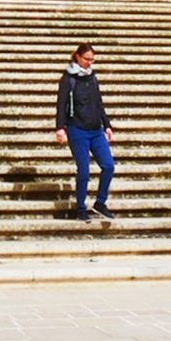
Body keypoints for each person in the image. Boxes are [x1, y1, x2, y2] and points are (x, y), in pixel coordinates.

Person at [56, 44, 116, 221]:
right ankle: (81, 207)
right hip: (77, 129)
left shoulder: (92, 77)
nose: (89, 63)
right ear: (77, 57)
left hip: (96, 129)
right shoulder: (69, 78)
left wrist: (107, 125)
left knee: (108, 165)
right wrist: (60, 127)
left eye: (92, 59)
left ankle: (100, 203)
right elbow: (61, 104)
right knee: (84, 170)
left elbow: (98, 102)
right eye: (86, 59)